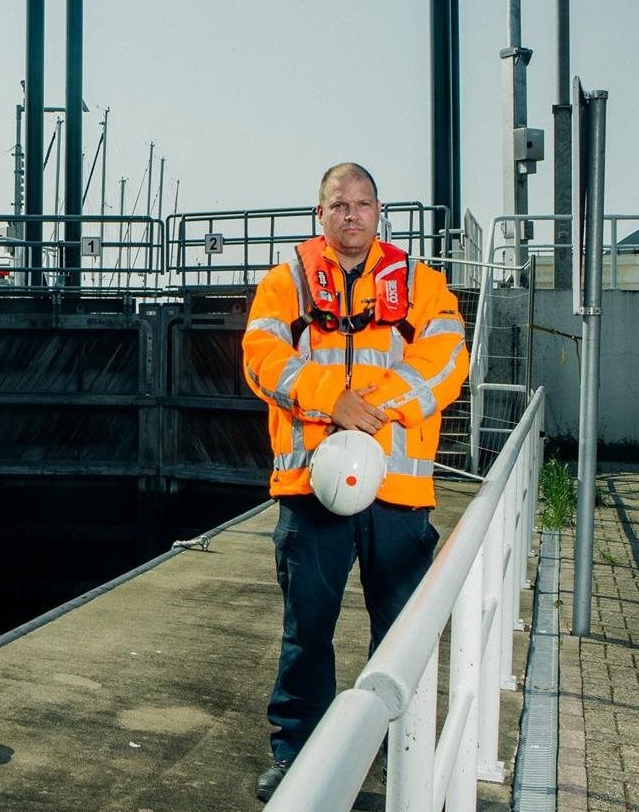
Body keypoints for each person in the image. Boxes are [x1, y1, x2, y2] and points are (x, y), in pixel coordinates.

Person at [239, 163, 469, 801]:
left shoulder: (420, 283)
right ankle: (296, 754)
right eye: (339, 204)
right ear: (320, 215)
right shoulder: (285, 282)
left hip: (396, 493)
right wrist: (329, 399)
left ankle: (401, 754)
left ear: (378, 212)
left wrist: (373, 408)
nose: (352, 214)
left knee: (400, 634)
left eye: (363, 204)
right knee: (307, 628)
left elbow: (448, 357)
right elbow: (261, 359)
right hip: (311, 489)